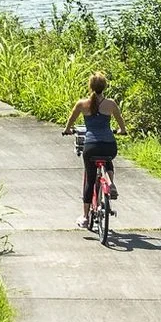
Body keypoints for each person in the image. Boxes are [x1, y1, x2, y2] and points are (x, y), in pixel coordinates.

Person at [64, 73, 122, 229]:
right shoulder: (111, 104)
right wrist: (121, 130)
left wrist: (67, 130)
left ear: (90, 86)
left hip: (91, 146)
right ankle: (109, 182)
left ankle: (84, 216)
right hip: (109, 145)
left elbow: (70, 121)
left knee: (90, 179)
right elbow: (121, 124)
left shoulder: (82, 104)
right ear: (105, 86)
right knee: (107, 161)